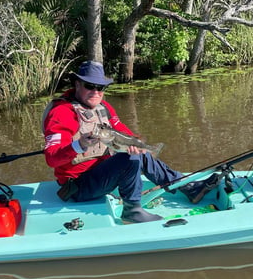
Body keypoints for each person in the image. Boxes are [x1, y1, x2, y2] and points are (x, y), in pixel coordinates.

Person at [42, 61, 221, 223]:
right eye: (90, 86)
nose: (96, 92)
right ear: (77, 84)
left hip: (100, 174)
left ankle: (188, 187)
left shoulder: (103, 107)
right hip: (78, 186)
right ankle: (132, 211)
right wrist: (79, 145)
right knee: (128, 159)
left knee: (137, 154)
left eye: (101, 87)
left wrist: (138, 144)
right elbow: (51, 158)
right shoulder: (61, 113)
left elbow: (124, 133)